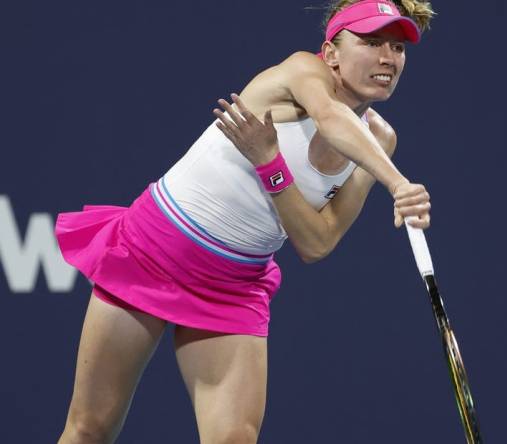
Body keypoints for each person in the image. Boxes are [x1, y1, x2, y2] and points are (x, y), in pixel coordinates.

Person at [55, 0, 436, 442]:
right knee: (89, 429)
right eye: (371, 43)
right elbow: (330, 119)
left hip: (233, 286)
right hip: (151, 250)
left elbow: (317, 243)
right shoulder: (301, 72)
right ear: (331, 52)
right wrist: (398, 185)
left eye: (398, 48)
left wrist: (271, 164)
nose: (388, 58)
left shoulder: (379, 140)